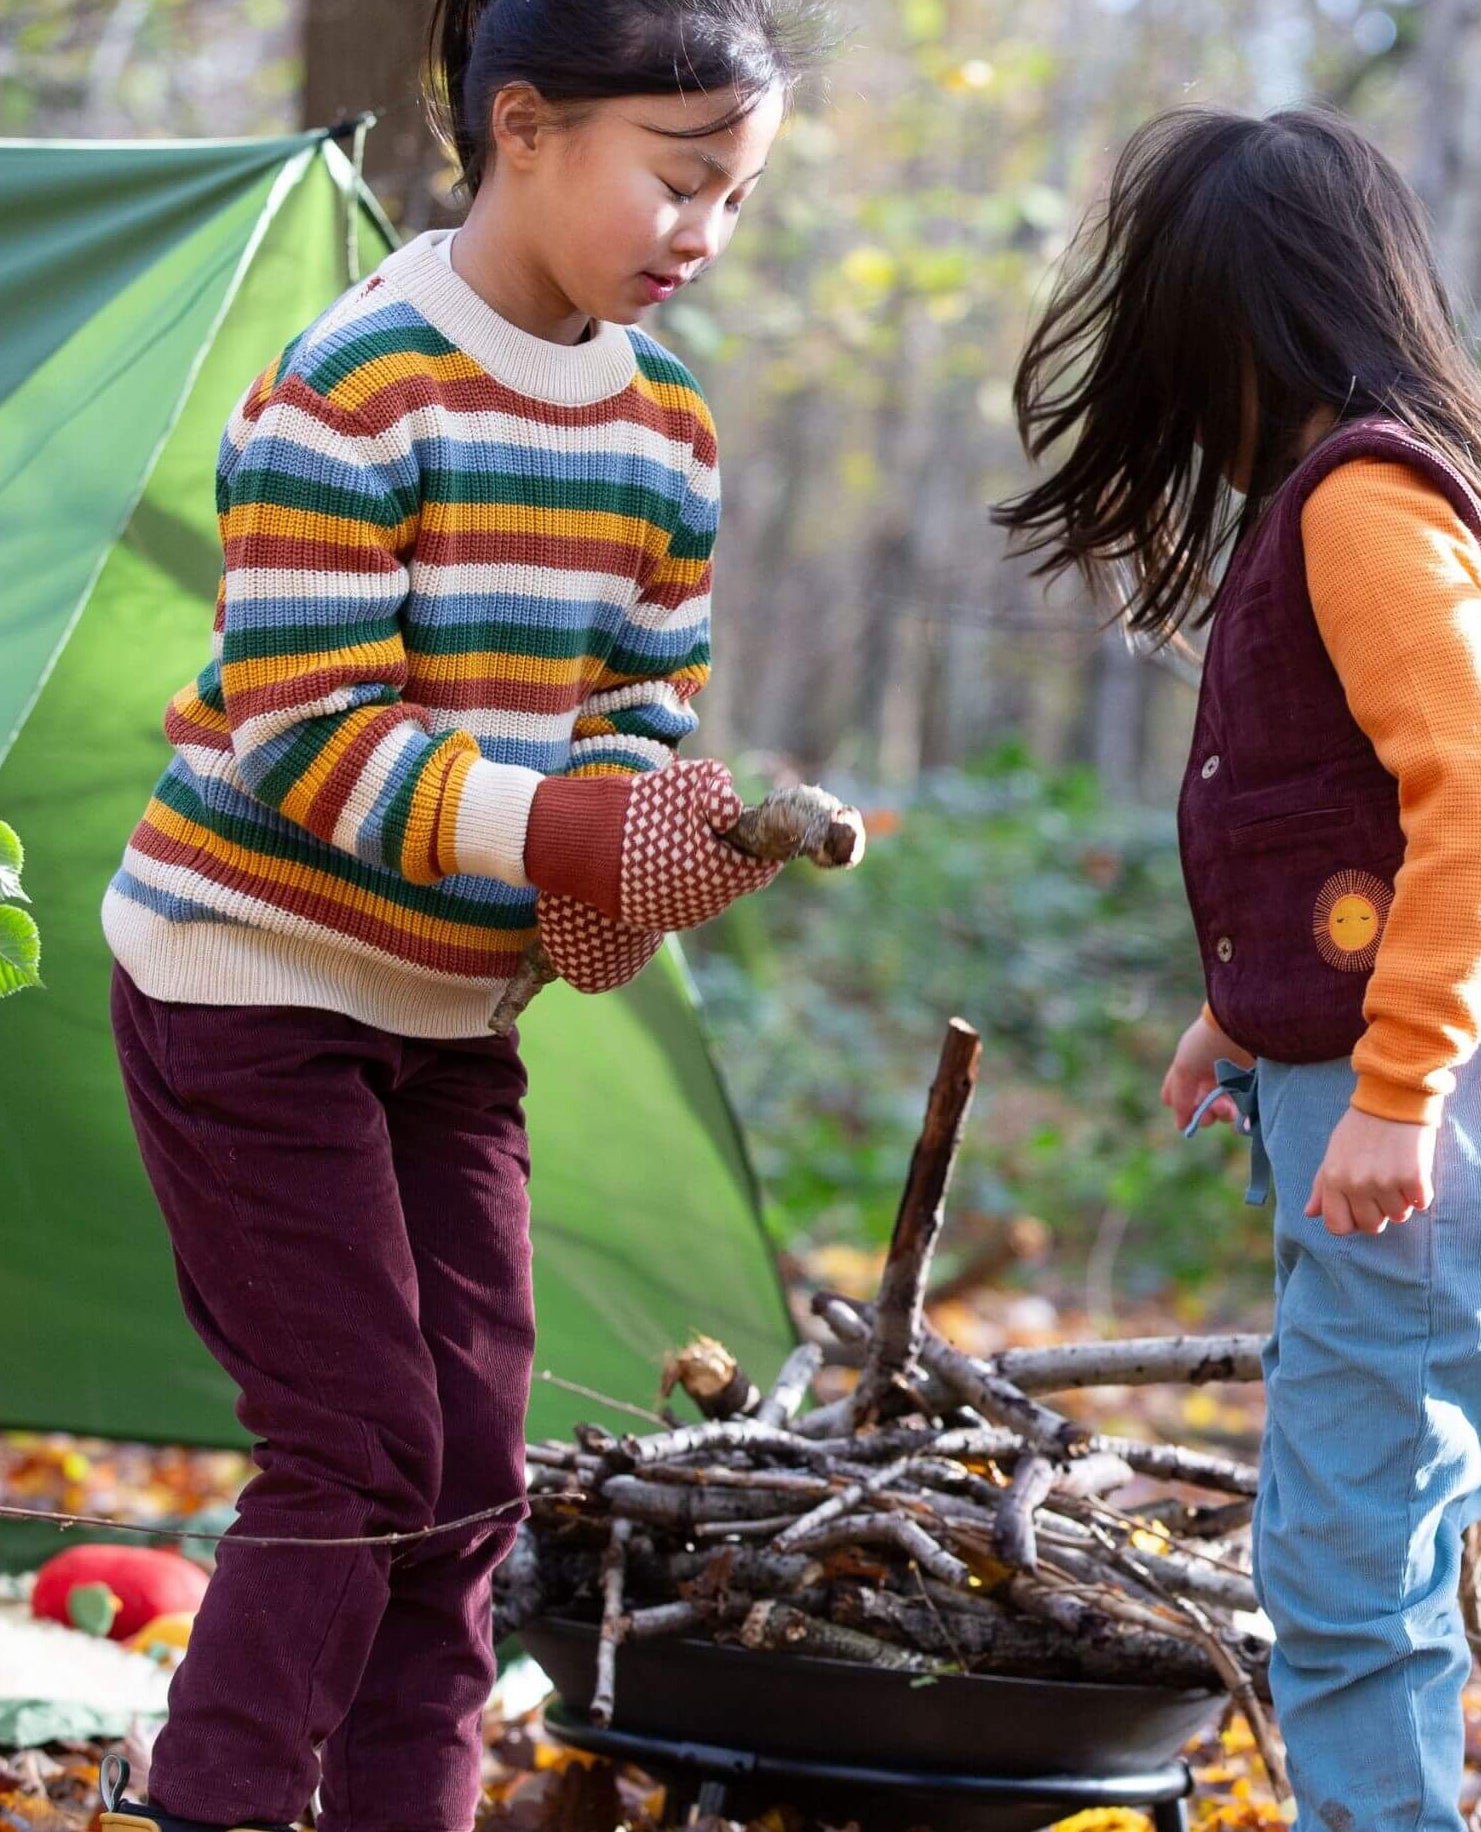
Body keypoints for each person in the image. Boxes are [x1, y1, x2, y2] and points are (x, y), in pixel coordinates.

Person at [99, 4, 830, 1829]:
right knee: (354, 1446)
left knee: (468, 1480)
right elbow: (299, 733)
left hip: (450, 1020)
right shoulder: (356, 381)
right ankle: (215, 1803)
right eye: (676, 183)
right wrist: (562, 831)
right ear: (523, 127)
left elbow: (639, 705)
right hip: (246, 981)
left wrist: (664, 831)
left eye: (734, 202)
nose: (700, 238)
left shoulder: (663, 432)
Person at [995, 106, 1481, 1832]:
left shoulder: (1358, 496)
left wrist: (1397, 1084)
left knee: (1341, 1566)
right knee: (1385, 1529)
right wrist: (1249, 1011)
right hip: (1457, 1055)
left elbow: (1473, 789)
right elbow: (1350, 808)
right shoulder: (1425, 475)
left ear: (1223, 319)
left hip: (1445, 1075)